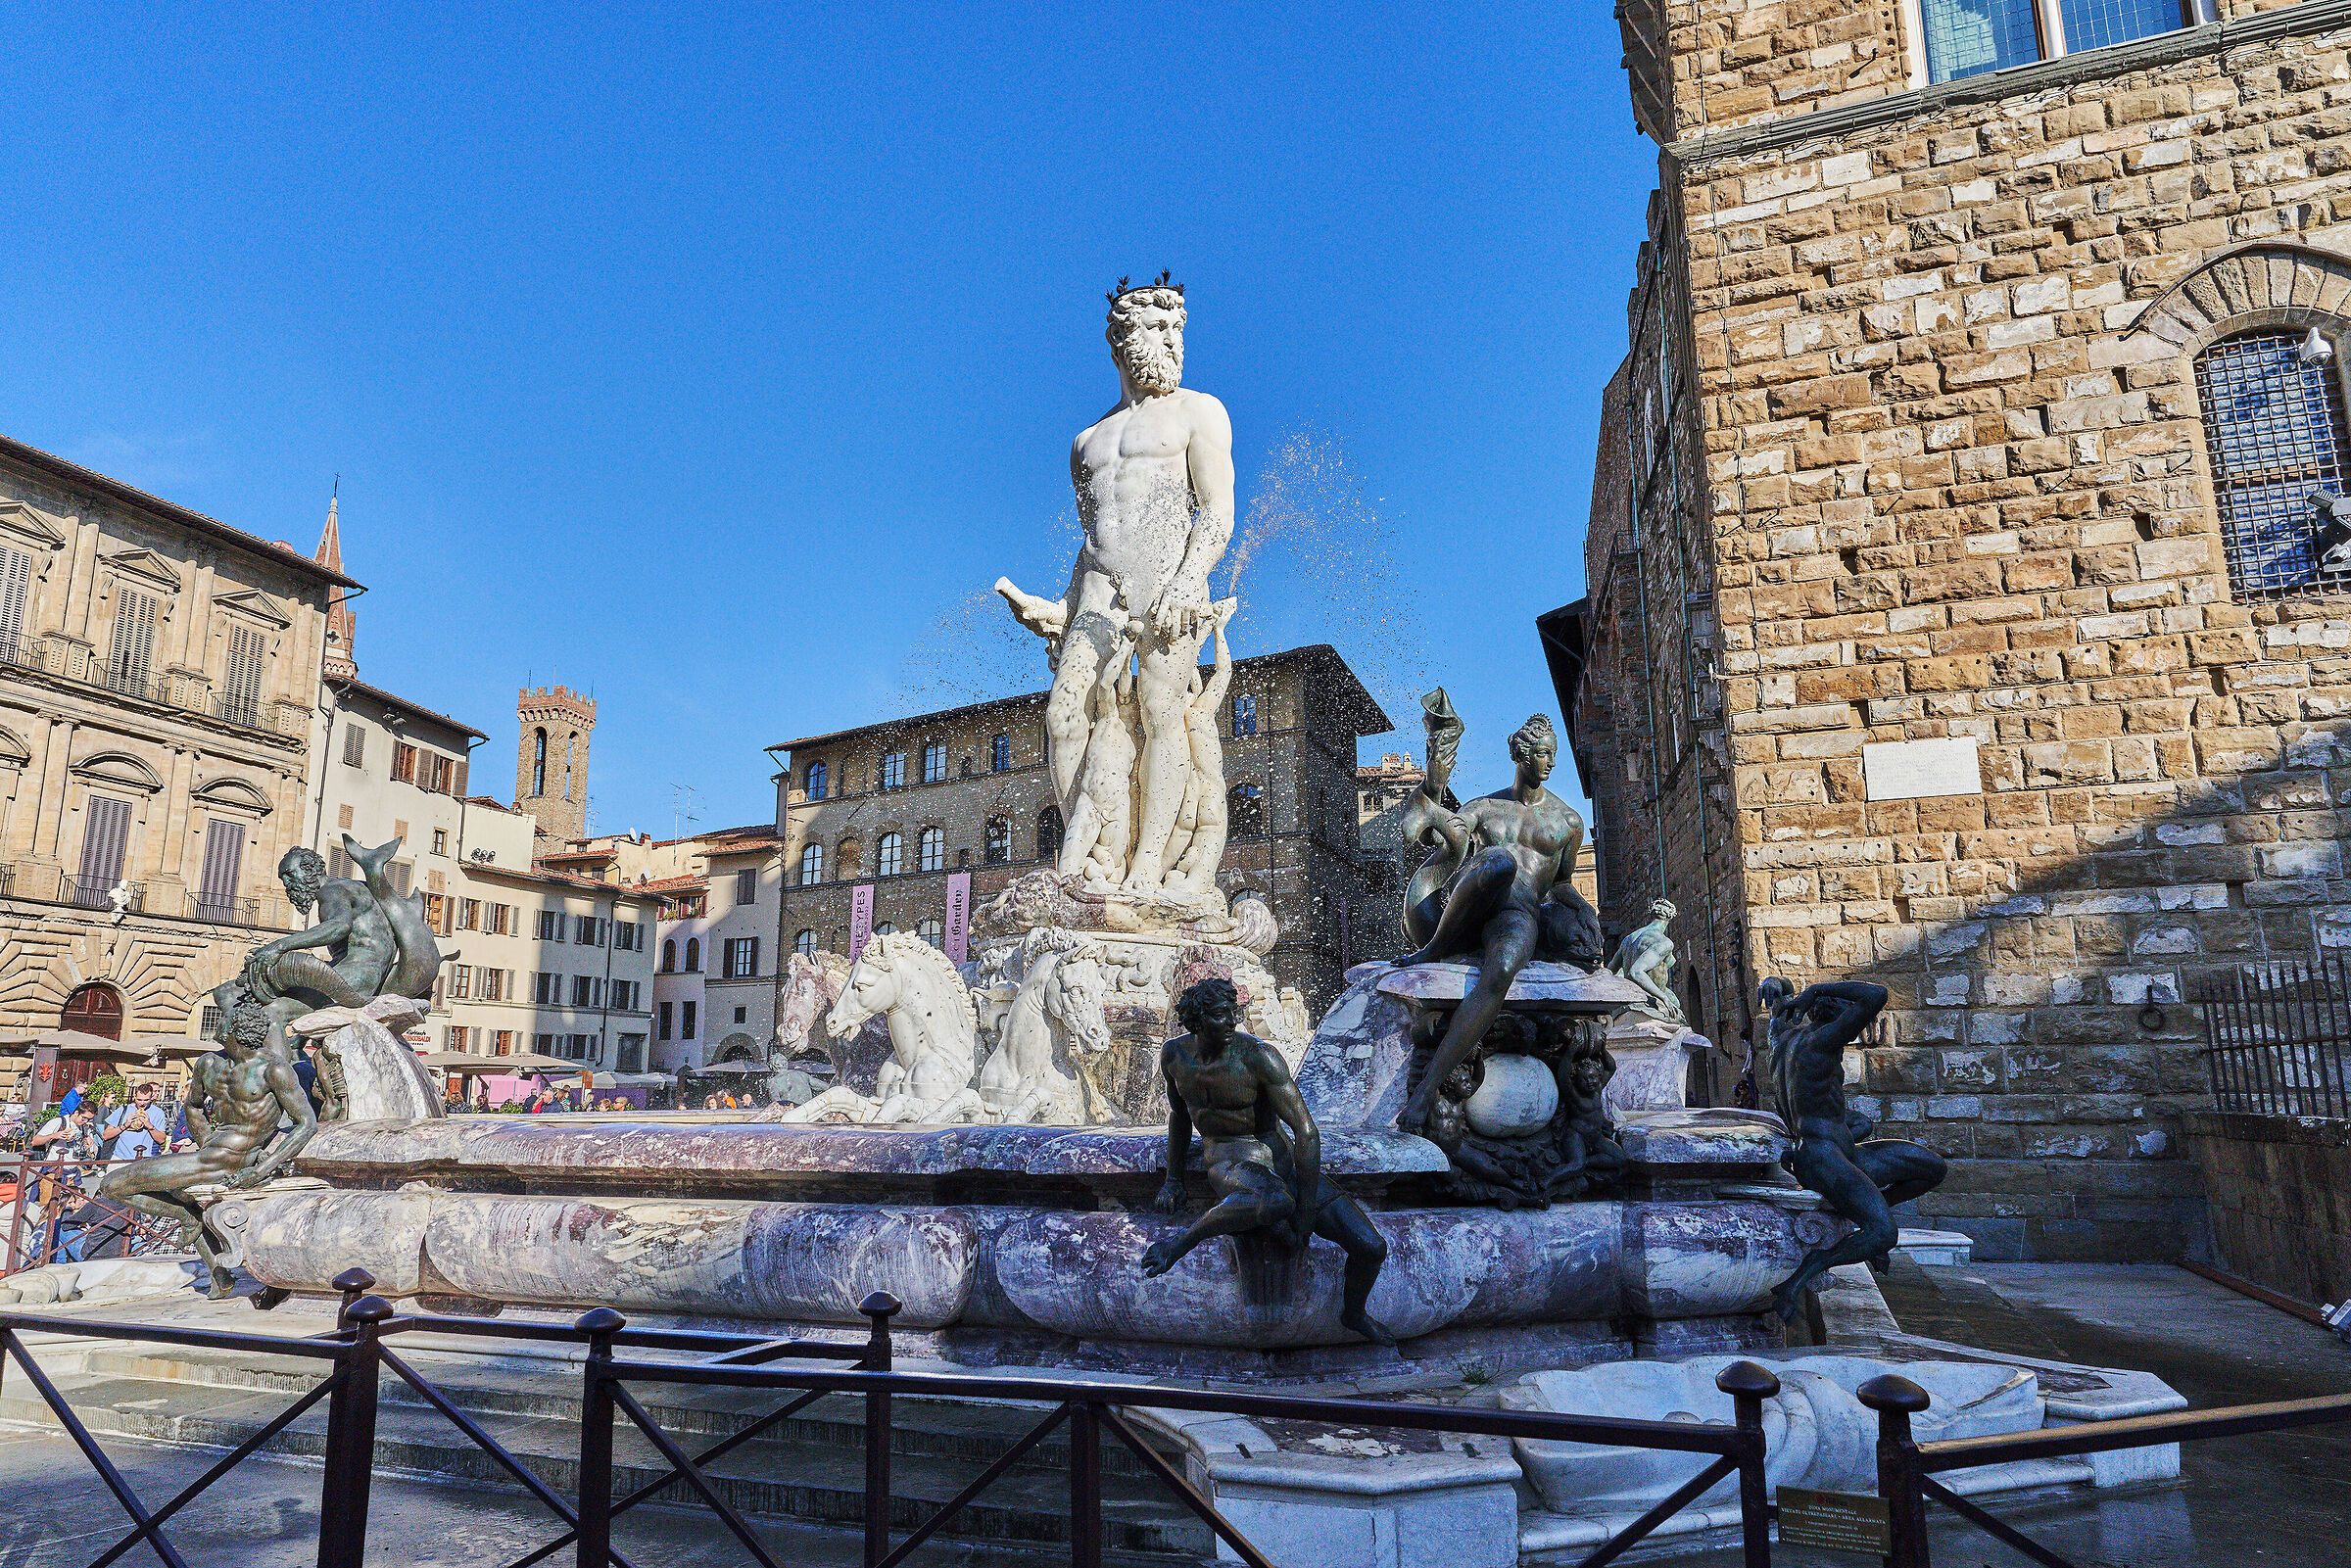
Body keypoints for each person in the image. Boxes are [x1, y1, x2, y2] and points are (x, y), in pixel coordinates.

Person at [995, 275, 1235, 892]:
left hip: (1169, 582)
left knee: (1161, 712)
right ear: (1121, 340)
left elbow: (1217, 511)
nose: (1171, 340)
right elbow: (1094, 538)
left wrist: (1189, 581)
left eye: (1176, 329)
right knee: (1064, 714)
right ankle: (1094, 854)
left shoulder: (1200, 411)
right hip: (1100, 595)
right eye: (1157, 327)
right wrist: (1060, 606)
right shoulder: (1086, 442)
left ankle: (1149, 864)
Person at [1143, 977, 1393, 1346]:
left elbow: (1306, 1131)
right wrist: (1173, 1179)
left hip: (1284, 1167)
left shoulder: (1259, 1056)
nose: (1233, 1020)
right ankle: (1179, 1244)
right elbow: (1179, 1116)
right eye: (1221, 1014)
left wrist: (1306, 1213)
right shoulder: (1174, 1057)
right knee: (1275, 1200)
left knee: (1372, 1247)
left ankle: (1353, 1314)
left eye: (1234, 1011)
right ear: (1197, 1020)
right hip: (1231, 1163)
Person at [1389, 694, 1595, 1137]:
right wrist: (1433, 786)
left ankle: (1426, 1090)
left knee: (1500, 970)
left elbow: (1561, 885)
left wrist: (1585, 911)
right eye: (1543, 754)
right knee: (1499, 860)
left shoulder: (1568, 821)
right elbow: (1434, 839)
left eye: (1553, 755)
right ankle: (1434, 949)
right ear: (1521, 754)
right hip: (1469, 910)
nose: (1551, 763)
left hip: (1517, 915)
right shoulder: (1483, 808)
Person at [1760, 977, 1948, 1321]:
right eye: (1852, 1018)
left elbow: (1779, 1002)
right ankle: (1808, 1270)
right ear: (1838, 1015)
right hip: (1821, 1157)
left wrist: (1778, 985)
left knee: (1932, 1168)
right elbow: (1876, 994)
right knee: (1884, 1233)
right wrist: (1815, 990)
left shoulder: (1779, 1037)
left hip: (1839, 1151)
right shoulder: (1823, 1040)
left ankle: (1863, 1215)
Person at [101, 1003, 319, 1298]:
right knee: (117, 1187)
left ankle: (191, 1221)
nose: (218, 1022)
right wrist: (206, 1142)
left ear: (236, 1030)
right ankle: (197, 1232)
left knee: (113, 1185)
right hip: (209, 1154)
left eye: (224, 1018)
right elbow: (192, 1106)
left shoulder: (273, 1069)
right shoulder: (209, 1063)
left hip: (236, 1158)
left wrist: (260, 1170)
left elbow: (307, 1123)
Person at [102, 1082, 168, 1161]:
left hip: (144, 1159)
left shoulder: (158, 1113)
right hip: (119, 1158)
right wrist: (125, 1125)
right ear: (134, 1097)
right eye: (139, 1100)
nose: (142, 1103)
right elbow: (105, 1135)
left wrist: (150, 1126)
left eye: (146, 1100)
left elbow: (161, 1140)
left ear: (151, 1098)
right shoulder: (123, 1110)